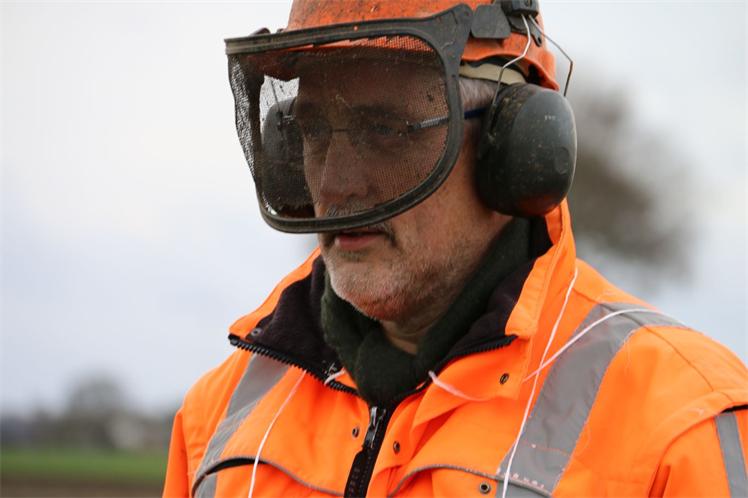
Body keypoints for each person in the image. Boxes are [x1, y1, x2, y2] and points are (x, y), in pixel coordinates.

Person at [163, 1, 748, 497]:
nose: (336, 185)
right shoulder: (214, 422)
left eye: (386, 130)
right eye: (314, 131)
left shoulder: (680, 426)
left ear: (514, 148)